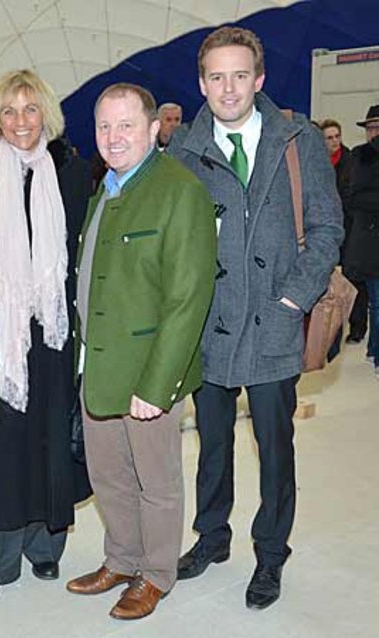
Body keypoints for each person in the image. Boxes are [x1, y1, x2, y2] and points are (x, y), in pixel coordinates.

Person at [168, 26, 343, 610]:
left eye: (240, 75)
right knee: (212, 444)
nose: (228, 87)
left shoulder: (298, 141)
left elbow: (325, 229)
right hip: (210, 327)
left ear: (259, 79)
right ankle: (211, 537)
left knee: (275, 447)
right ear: (201, 83)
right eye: (216, 76)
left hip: (274, 322)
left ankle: (270, 555)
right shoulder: (184, 152)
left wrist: (292, 301)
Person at [65, 83, 216, 620]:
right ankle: (121, 559)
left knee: (157, 484)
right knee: (109, 477)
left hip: (149, 375)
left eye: (127, 125)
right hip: (99, 368)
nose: (114, 136)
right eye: (105, 126)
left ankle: (155, 574)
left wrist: (159, 386)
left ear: (154, 129)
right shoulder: (103, 189)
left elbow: (188, 298)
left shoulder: (180, 191)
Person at [0, 69, 90, 602]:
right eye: (9, 111)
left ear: (47, 115)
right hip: (0, 336)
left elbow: (77, 262)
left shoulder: (73, 175)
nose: (21, 122)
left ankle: (44, 547)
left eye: (30, 109)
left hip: (52, 332)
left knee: (49, 439)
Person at [320, 118, 366, 345]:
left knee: (353, 279)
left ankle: (357, 328)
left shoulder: (351, 161)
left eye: (337, 136)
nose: (335, 141)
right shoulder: (316, 164)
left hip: (349, 228)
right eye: (329, 137)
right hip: (324, 230)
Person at [343, 104, 379, 377]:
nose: (373, 132)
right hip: (369, 240)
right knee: (376, 299)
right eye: (370, 128)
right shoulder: (361, 156)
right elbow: (352, 197)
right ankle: (376, 352)